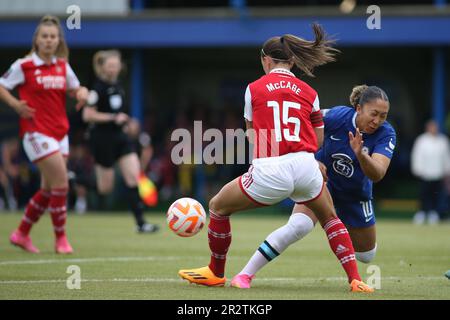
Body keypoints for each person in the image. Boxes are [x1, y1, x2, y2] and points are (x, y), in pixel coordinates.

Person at [178, 24, 374, 292]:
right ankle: (356, 279)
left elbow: (251, 134)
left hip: (270, 169)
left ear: (265, 59)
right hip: (306, 167)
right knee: (330, 218)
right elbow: (316, 141)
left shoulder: (254, 88)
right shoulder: (310, 92)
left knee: (218, 206)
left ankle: (215, 272)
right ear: (293, 61)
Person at [231, 85, 396, 289]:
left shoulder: (386, 133)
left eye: (383, 116)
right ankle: (244, 275)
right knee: (298, 226)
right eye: (374, 114)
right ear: (359, 109)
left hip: (355, 195)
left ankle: (341, 238)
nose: (377, 121)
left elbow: (377, 173)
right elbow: (300, 125)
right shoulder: (336, 117)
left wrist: (361, 154)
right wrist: (309, 160)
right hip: (320, 183)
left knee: (366, 255)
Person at [0, 15, 89, 254]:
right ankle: (61, 240)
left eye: (53, 36)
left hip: (60, 131)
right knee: (62, 183)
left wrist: (82, 93)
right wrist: (16, 104)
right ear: (37, 40)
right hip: (35, 132)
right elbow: (1, 85)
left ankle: (21, 233)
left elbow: (75, 88)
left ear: (58, 40)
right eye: (44, 36)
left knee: (49, 189)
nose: (49, 40)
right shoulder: (24, 65)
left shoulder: (62, 65)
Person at [82, 50, 159, 233]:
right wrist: (112, 118)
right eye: (110, 66)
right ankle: (74, 179)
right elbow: (88, 115)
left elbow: (120, 114)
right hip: (102, 139)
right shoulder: (96, 88)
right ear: (102, 67)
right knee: (105, 187)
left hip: (120, 138)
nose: (113, 69)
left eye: (116, 65)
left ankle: (141, 223)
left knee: (133, 177)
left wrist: (128, 124)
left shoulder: (118, 86)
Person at [411, 120, 450, 225]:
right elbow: (417, 156)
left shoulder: (443, 141)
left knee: (436, 194)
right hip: (425, 173)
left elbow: (446, 157)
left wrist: (447, 171)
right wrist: (417, 169)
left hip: (438, 173)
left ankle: (434, 213)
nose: (433, 129)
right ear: (428, 128)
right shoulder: (421, 140)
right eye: (431, 127)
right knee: (424, 194)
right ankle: (422, 213)